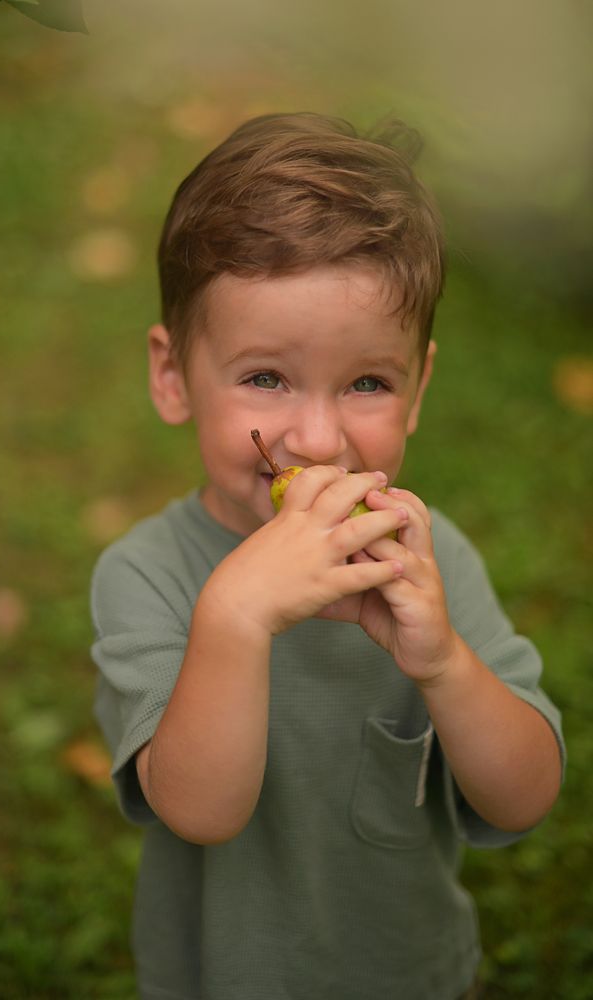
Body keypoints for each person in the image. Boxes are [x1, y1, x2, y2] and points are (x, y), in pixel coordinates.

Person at [90, 113, 564, 1000]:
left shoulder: (426, 560)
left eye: (367, 383)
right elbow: (197, 810)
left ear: (418, 387)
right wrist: (234, 616)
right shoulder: (147, 573)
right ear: (171, 376)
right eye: (265, 376)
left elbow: (523, 798)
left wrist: (444, 664)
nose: (317, 438)